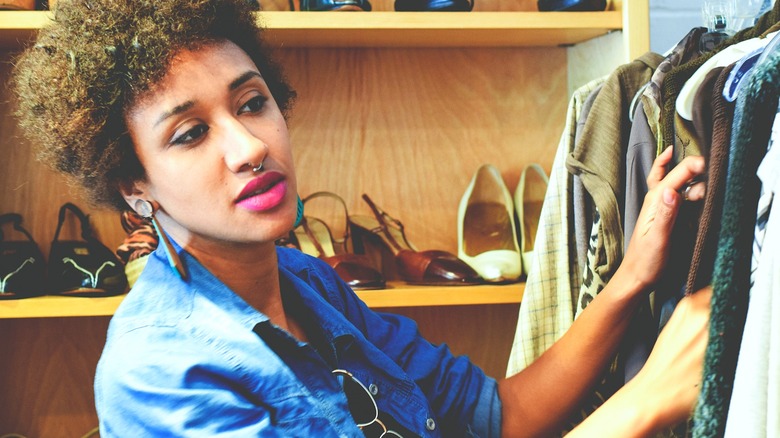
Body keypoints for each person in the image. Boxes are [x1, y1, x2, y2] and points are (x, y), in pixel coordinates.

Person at [11, 0, 711, 436]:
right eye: (190, 134)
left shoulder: (307, 285)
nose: (251, 146)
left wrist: (628, 279)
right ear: (135, 187)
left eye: (252, 102)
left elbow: (497, 416)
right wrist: (642, 402)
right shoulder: (162, 373)